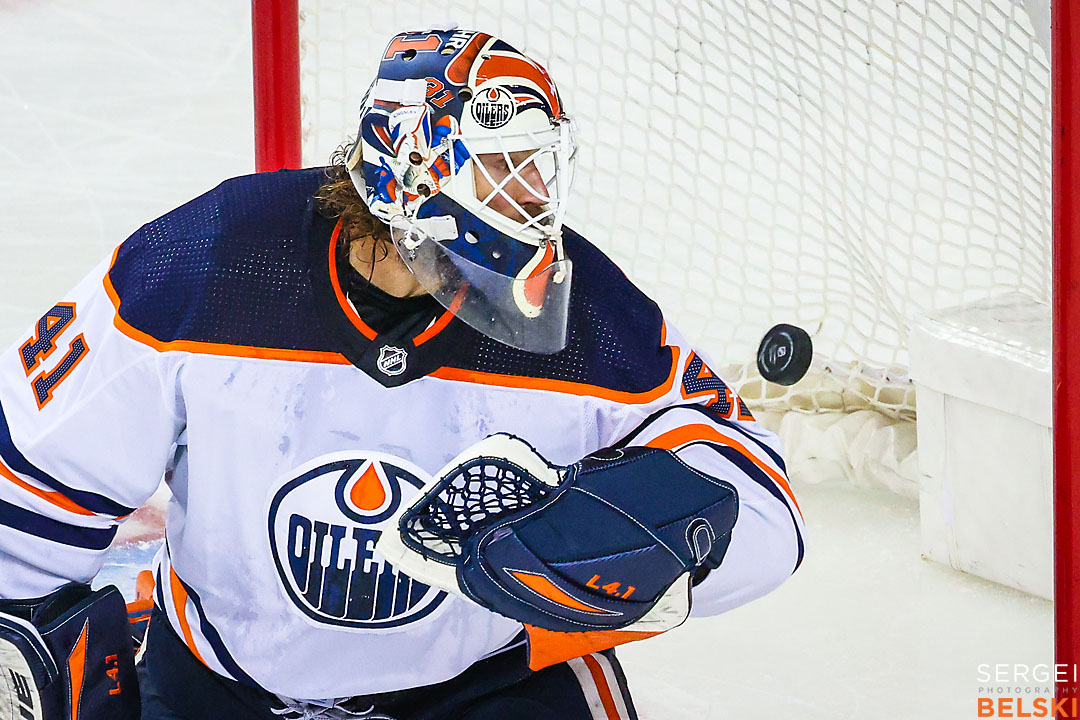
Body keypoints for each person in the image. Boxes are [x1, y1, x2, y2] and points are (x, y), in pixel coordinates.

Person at [0, 28, 804, 720]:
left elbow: (760, 493)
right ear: (412, 174)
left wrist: (646, 532)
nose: (531, 198)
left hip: (479, 686)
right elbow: (35, 469)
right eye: (501, 168)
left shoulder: (585, 308)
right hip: (220, 680)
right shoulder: (206, 265)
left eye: (537, 166)